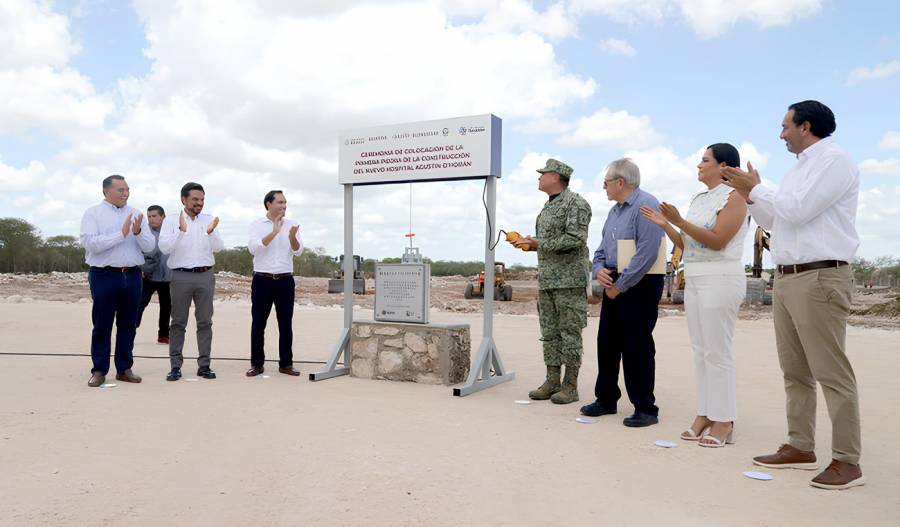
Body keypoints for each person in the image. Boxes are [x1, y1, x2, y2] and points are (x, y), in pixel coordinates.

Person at [722, 100, 864, 490]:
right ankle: (801, 446)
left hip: (820, 278)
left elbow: (798, 210)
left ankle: (847, 461)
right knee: (795, 371)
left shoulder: (835, 161)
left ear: (805, 127)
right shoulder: (798, 170)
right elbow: (775, 220)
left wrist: (759, 188)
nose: (780, 134)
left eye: (785, 126)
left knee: (831, 372)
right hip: (787, 278)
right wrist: (752, 196)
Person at [640, 143, 749, 447]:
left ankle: (724, 419)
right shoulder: (699, 198)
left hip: (721, 277)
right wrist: (667, 226)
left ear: (724, 166)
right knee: (701, 351)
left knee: (718, 351)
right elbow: (689, 243)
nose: (699, 165)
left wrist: (679, 221)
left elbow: (718, 240)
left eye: (705, 160)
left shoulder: (737, 197)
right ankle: (705, 413)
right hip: (698, 278)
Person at [580, 158, 665, 427]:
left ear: (620, 182)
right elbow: (601, 250)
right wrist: (599, 270)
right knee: (607, 342)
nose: (603, 186)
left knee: (636, 345)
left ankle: (645, 408)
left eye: (606, 182)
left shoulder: (646, 205)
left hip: (640, 282)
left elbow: (648, 253)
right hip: (615, 281)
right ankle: (606, 399)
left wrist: (620, 285)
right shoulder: (614, 212)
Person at [510, 159, 591, 405]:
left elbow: (576, 238)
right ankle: (552, 381)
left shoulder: (575, 203)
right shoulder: (547, 207)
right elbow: (551, 243)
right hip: (547, 281)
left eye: (542, 174)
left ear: (556, 177)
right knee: (550, 334)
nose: (539, 178)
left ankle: (570, 386)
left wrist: (539, 243)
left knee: (569, 334)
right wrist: (529, 245)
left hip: (568, 282)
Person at [79, 175, 155, 387]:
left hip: (132, 275)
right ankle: (99, 370)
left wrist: (138, 232)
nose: (126, 193)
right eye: (121, 190)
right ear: (106, 191)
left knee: (128, 324)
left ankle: (124, 368)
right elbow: (89, 243)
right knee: (102, 323)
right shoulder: (93, 213)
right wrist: (120, 234)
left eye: (127, 189)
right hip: (104, 275)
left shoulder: (136, 213)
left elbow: (149, 247)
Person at [158, 182, 224, 381]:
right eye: (195, 199)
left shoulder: (208, 219)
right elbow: (164, 248)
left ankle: (204, 366)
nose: (199, 203)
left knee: (205, 322)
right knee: (178, 322)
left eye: (202, 199)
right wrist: (181, 230)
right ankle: (175, 367)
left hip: (205, 275)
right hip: (181, 276)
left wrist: (211, 232)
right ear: (183, 199)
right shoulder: (171, 220)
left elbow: (219, 247)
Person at [246, 190, 304, 377]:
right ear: (268, 204)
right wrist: (274, 233)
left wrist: (292, 237)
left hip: (285, 280)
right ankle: (257, 364)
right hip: (262, 280)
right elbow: (253, 249)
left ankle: (286, 364)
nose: (284, 206)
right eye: (280, 202)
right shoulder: (256, 225)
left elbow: (298, 251)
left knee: (285, 324)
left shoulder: (292, 224)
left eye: (285, 202)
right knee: (258, 324)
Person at [136, 205, 172, 345]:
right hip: (148, 276)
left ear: (163, 216)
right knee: (139, 303)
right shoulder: (144, 233)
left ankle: (163, 335)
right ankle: (131, 329)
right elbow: (137, 251)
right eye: (149, 216)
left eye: (154, 216)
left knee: (166, 306)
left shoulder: (171, 232)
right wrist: (140, 269)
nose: (151, 219)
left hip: (168, 277)